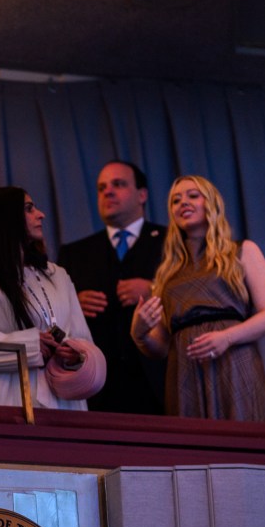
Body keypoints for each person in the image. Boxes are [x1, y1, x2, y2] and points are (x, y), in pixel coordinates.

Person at [131, 175, 265, 421]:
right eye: (176, 200)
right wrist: (140, 333)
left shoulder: (242, 250)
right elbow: (161, 346)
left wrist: (226, 338)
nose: (183, 203)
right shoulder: (168, 272)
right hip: (185, 373)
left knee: (242, 440)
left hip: (233, 363)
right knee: (195, 448)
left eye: (193, 195)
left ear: (212, 203)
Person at [0, 186, 99, 411]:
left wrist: (75, 354)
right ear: (6, 218)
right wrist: (29, 345)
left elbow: (84, 338)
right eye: (29, 209)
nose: (40, 214)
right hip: (10, 400)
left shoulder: (58, 275)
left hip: (66, 402)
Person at [58, 160, 166, 414]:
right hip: (94, 390)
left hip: (158, 384)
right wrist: (72, 304)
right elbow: (48, 315)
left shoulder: (173, 243)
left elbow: (193, 298)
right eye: (101, 187)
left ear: (142, 194)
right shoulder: (73, 253)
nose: (108, 192)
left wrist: (155, 290)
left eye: (118, 184)